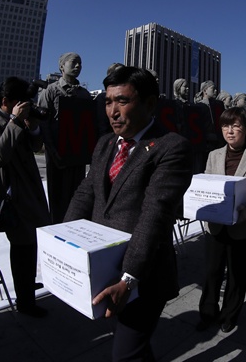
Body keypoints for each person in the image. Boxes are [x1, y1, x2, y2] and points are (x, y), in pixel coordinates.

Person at [64, 67, 192, 361]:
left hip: (142, 275)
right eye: (108, 102)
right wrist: (62, 240)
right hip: (103, 267)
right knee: (132, 347)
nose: (113, 111)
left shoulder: (171, 147)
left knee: (125, 354)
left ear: (149, 104)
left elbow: (155, 215)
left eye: (122, 101)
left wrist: (129, 278)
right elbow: (86, 194)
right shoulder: (105, 143)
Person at [197, 107, 246, 333]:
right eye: (225, 126)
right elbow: (206, 185)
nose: (230, 131)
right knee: (212, 272)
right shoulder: (214, 155)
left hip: (244, 227)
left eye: (236, 126)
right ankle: (207, 312)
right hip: (216, 226)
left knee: (237, 274)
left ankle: (230, 314)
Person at [0, 77, 52, 317]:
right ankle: (25, 302)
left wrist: (32, 125)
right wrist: (14, 120)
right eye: (20, 102)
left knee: (31, 246)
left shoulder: (19, 121)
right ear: (6, 102)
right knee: (21, 248)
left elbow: (36, 146)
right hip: (14, 198)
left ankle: (27, 288)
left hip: (32, 192)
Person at [38, 52, 92, 223]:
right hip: (58, 154)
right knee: (58, 198)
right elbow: (44, 124)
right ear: (61, 66)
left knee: (78, 196)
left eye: (80, 63)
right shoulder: (50, 91)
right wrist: (52, 151)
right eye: (73, 62)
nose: (78, 66)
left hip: (77, 154)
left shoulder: (85, 94)